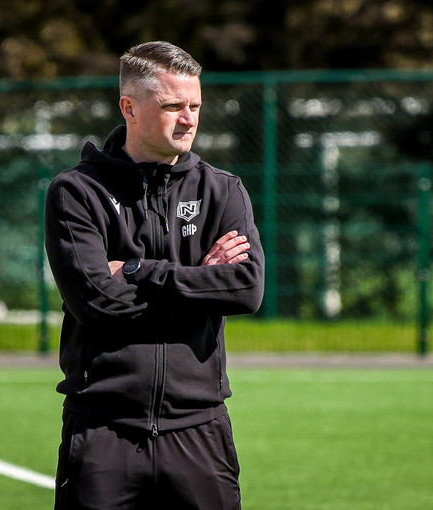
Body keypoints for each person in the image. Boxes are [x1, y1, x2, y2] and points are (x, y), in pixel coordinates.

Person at [44, 41, 265, 509]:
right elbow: (97, 304)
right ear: (129, 108)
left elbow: (246, 290)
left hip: (200, 430)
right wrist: (201, 284)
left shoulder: (223, 190)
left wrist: (137, 270)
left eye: (195, 106)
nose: (188, 119)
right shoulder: (77, 191)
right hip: (103, 430)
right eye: (172, 107)